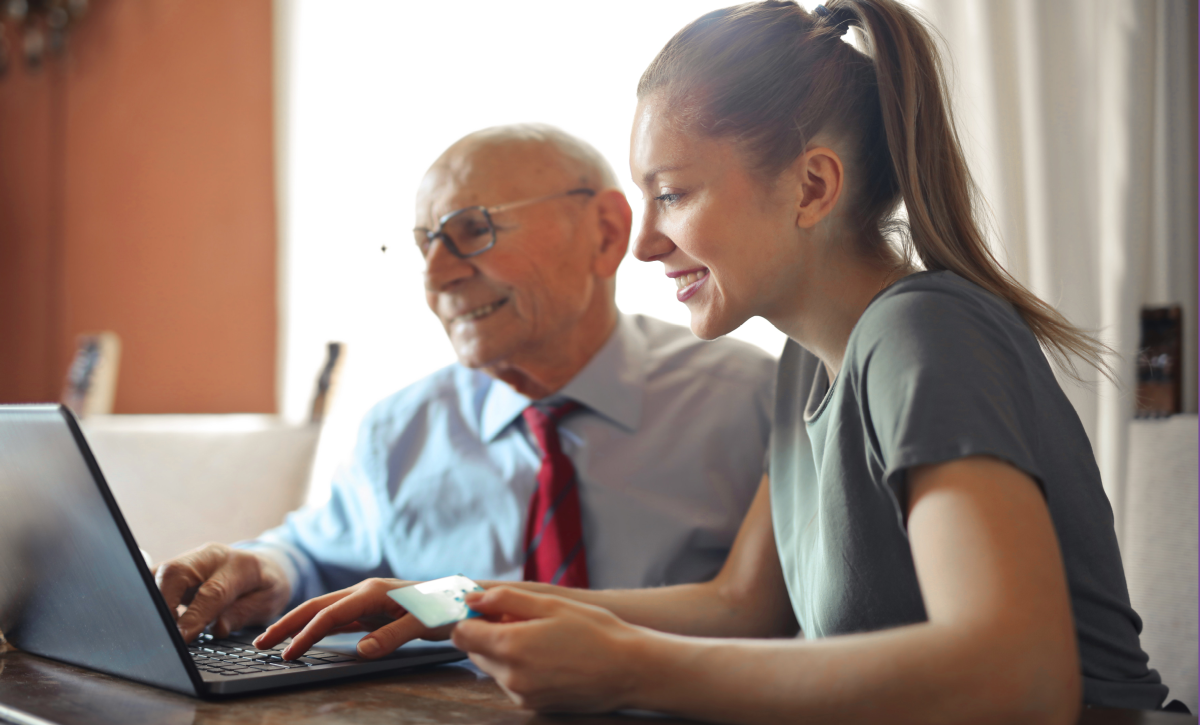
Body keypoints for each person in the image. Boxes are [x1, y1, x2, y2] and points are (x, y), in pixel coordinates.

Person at [255, 2, 1172, 721]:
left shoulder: (922, 334)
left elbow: (1020, 679)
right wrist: (457, 600)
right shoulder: (806, 365)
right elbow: (743, 605)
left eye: (673, 192)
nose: (645, 241)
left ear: (812, 187)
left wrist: (627, 665)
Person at [154, 124, 776, 648]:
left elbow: (774, 615)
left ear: (606, 233)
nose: (437, 278)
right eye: (426, 245)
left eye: (472, 231)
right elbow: (316, 555)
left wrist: (451, 602)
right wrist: (263, 568)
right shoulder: (400, 429)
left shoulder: (753, 401)